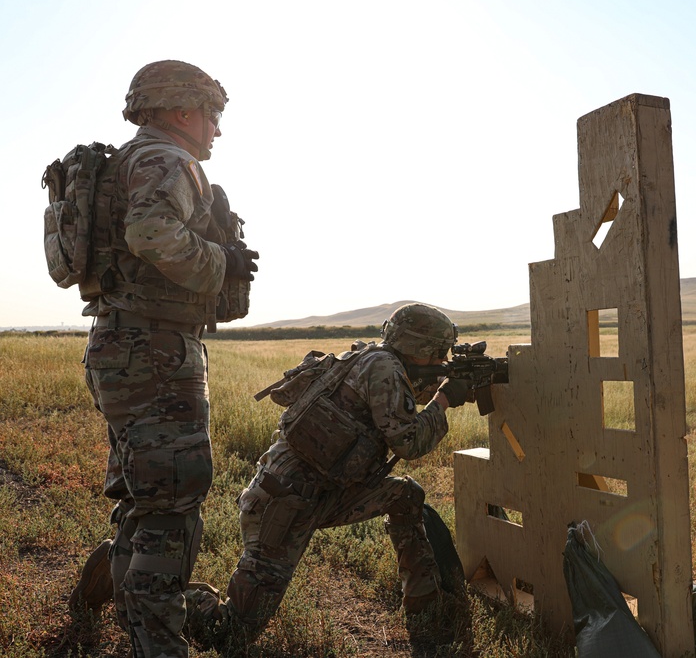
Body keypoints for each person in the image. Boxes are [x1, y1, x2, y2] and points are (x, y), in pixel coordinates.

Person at [67, 60, 259, 658]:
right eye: (212, 115)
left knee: (144, 498)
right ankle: (158, 642)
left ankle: (130, 617)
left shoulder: (132, 160)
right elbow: (151, 234)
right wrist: (220, 261)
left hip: (125, 345)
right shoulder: (168, 160)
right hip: (154, 351)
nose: (216, 131)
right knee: (172, 505)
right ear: (182, 111)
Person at [179, 303, 471, 649]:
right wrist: (444, 400)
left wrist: (445, 382)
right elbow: (408, 441)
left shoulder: (374, 359)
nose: (441, 359)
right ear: (420, 348)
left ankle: (427, 606)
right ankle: (151, 588)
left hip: (325, 494)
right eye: (438, 352)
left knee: (404, 495)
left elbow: (399, 401)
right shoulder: (383, 368)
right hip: (284, 504)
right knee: (230, 635)